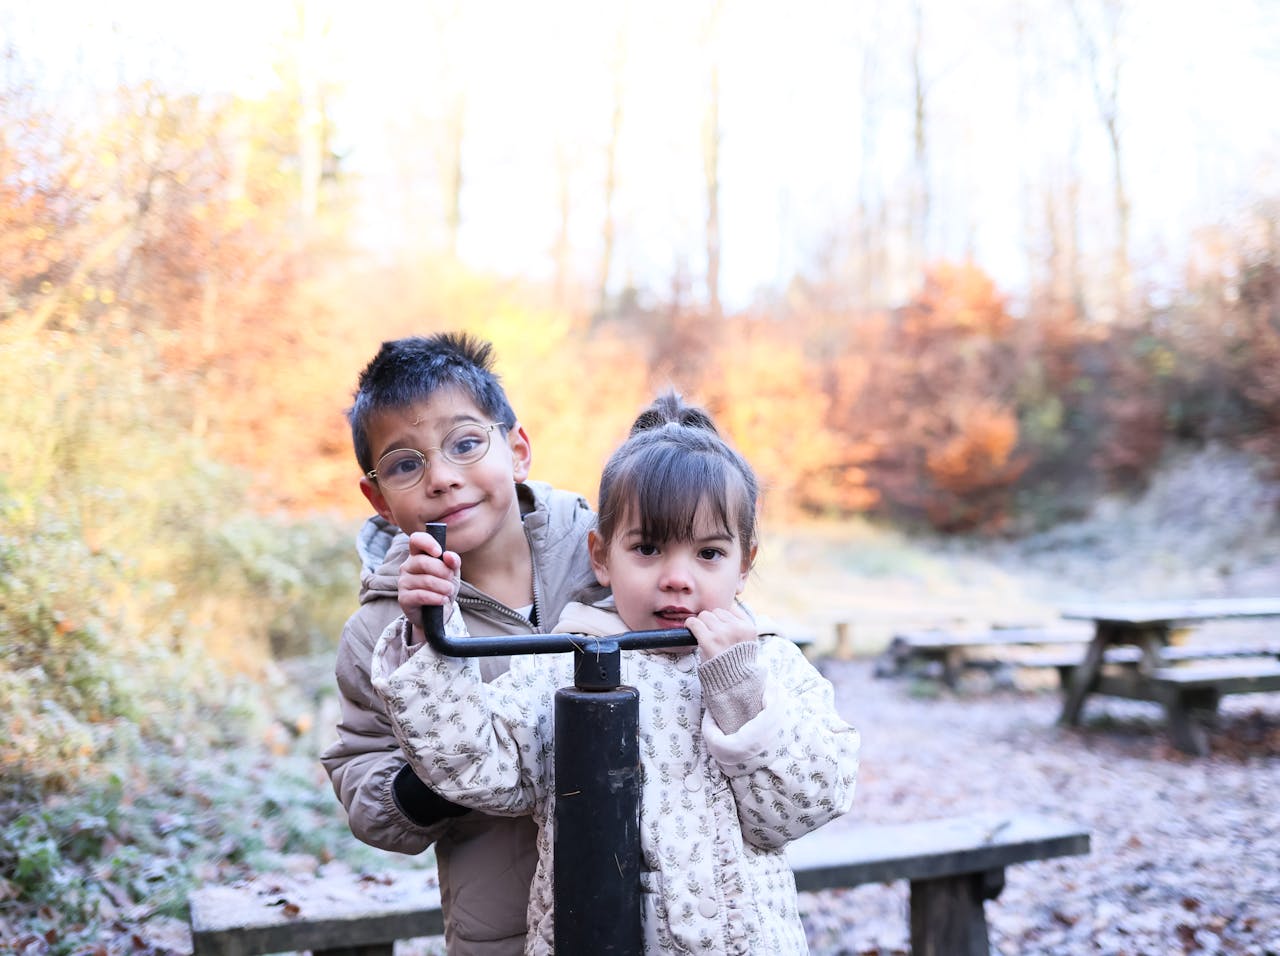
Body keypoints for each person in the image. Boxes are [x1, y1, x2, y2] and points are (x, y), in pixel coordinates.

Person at [371, 392, 861, 954]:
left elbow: (802, 810)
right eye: (648, 549)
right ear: (601, 557)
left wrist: (741, 696)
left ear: (745, 563)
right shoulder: (566, 663)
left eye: (708, 554)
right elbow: (475, 766)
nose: (677, 578)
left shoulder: (769, 663)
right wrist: (426, 633)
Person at [319, 333, 597, 956]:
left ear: (517, 449)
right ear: (379, 500)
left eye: (466, 443)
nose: (443, 477)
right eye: (404, 464)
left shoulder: (608, 556)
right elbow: (362, 780)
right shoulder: (383, 631)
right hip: (508, 934)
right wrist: (443, 764)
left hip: (657, 907)